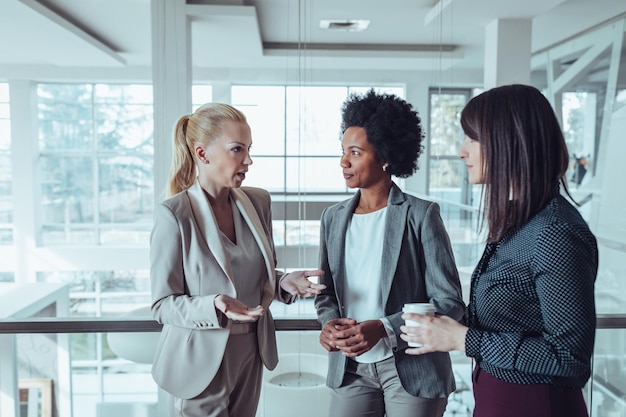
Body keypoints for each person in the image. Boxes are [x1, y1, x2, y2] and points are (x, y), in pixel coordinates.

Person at [401, 84, 598, 417]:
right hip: (498, 398)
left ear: (508, 142)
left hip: (535, 405)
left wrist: (463, 339)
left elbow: (569, 358)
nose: (462, 152)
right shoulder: (520, 222)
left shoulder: (554, 232)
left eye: (471, 139)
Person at [150, 102, 325, 417]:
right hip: (201, 360)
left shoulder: (258, 202)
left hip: (251, 352)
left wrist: (283, 281)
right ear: (203, 154)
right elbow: (162, 304)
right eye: (237, 150)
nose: (248, 160)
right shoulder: (174, 215)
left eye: (249, 149)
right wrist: (213, 303)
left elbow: (254, 272)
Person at [314, 89, 466, 417]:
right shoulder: (332, 218)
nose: (344, 161)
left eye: (355, 152)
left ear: (384, 155)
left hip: (413, 368)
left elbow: (450, 302)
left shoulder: (421, 215)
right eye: (343, 151)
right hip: (350, 369)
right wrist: (329, 325)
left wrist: (384, 327)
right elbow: (326, 295)